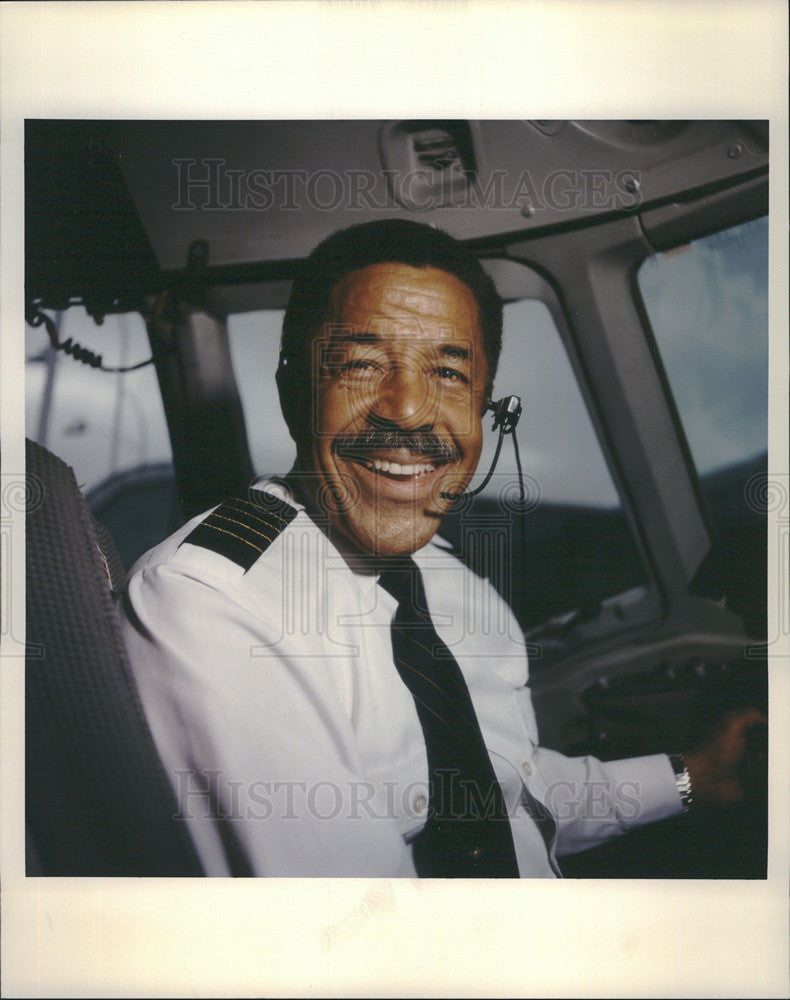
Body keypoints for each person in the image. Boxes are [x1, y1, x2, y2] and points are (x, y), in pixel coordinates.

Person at [121, 219, 764, 877]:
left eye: (450, 374)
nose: (407, 409)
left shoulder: (449, 583)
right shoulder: (212, 608)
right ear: (294, 392)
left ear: (484, 411)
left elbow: (505, 792)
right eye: (362, 364)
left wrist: (691, 777)